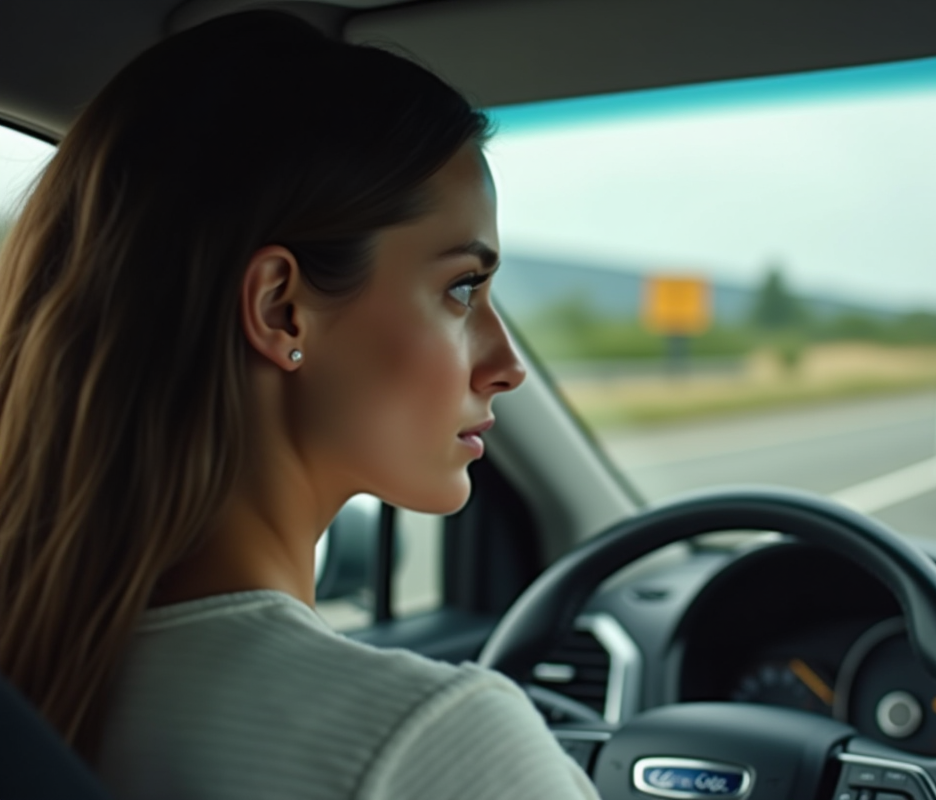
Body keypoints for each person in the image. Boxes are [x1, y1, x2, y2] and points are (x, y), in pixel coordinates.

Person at [0, 10, 599, 799]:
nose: (507, 366)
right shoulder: (428, 743)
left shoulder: (33, 681)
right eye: (461, 288)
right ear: (282, 309)